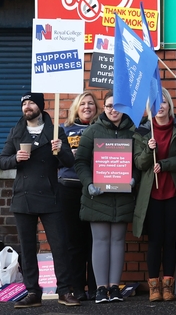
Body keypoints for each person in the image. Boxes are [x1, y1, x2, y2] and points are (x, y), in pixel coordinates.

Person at [0, 92, 80, 308]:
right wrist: (15, 158)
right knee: (27, 248)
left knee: (60, 246)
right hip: (23, 196)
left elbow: (69, 162)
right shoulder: (16, 132)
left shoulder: (56, 132)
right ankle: (33, 292)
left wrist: (60, 149)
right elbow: (2, 160)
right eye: (24, 103)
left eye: (31, 102)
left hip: (50, 195)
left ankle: (65, 291)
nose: (27, 106)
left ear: (41, 106)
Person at [73, 92, 138, 304]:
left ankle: (115, 287)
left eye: (117, 106)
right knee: (100, 241)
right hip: (98, 197)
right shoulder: (92, 131)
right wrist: (88, 184)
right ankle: (101, 288)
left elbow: (138, 163)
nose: (113, 110)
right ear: (104, 107)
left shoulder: (133, 131)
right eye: (109, 106)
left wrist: (133, 179)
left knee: (118, 241)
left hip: (123, 196)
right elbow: (80, 162)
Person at [132, 88, 176, 302]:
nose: (160, 107)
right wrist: (149, 150)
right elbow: (139, 163)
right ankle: (154, 286)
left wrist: (164, 164)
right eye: (155, 103)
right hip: (152, 195)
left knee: (170, 240)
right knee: (155, 241)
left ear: (169, 105)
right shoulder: (142, 132)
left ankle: (168, 285)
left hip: (174, 192)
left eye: (163, 102)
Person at [60, 91, 100, 300]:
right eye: (83, 103)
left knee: (94, 240)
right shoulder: (63, 130)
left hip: (95, 189)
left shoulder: (101, 129)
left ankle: (95, 288)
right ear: (76, 107)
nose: (87, 107)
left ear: (96, 108)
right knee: (74, 241)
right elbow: (54, 161)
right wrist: (65, 155)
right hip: (69, 187)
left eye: (91, 103)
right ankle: (76, 288)